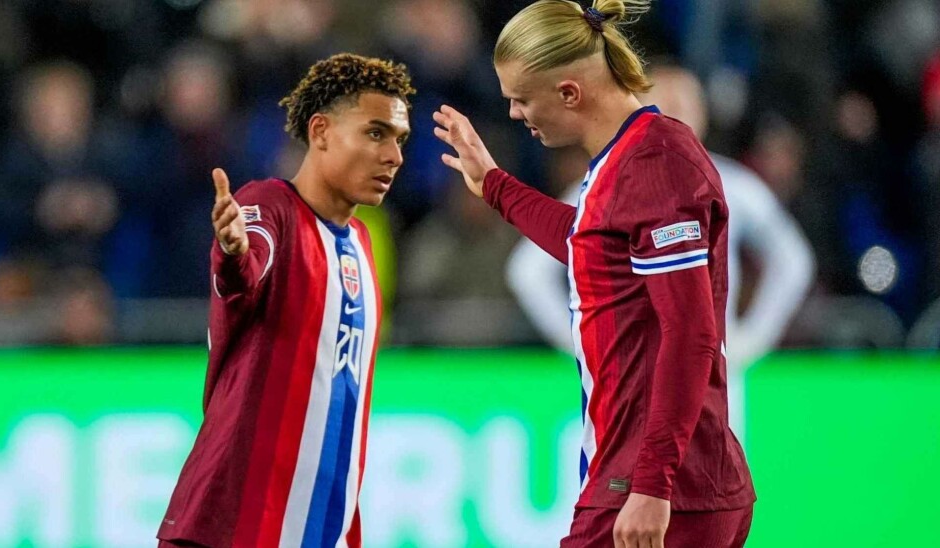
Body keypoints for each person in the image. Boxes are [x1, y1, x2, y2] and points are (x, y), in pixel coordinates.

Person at [433, 1, 755, 547]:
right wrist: (493, 183)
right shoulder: (627, 157)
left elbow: (692, 333)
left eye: (521, 98)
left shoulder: (657, 163)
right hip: (653, 482)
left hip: (663, 490)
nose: (514, 113)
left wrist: (652, 486)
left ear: (569, 93)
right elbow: (592, 248)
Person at [157, 53, 414, 548]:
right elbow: (246, 270)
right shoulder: (268, 206)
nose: (394, 157)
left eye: (399, 140)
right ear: (320, 131)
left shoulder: (363, 242)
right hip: (233, 528)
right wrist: (233, 254)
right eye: (376, 133)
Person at [506, 64, 816, 444]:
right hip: (634, 378)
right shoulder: (607, 184)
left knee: (712, 495)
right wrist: (583, 343)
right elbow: (528, 269)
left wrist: (753, 338)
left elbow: (793, 260)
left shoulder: (732, 186)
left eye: (686, 104)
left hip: (712, 382)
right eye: (666, 103)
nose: (678, 114)